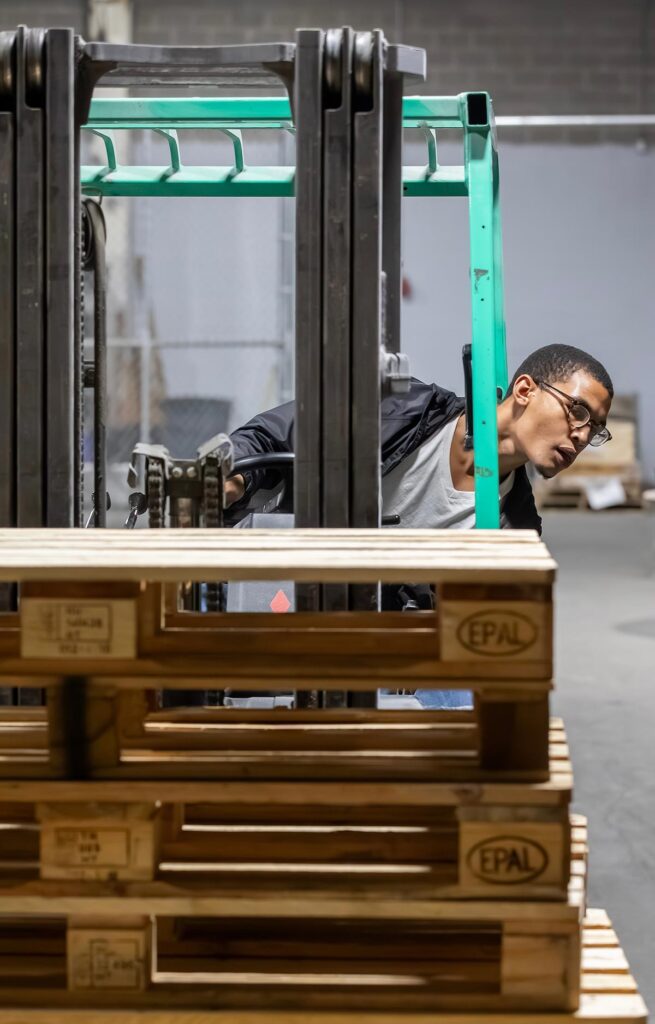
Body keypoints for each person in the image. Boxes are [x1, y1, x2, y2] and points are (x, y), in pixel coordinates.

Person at [225, 343, 613, 536]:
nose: (581, 436)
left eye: (595, 428)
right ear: (525, 390)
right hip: (268, 577)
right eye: (577, 411)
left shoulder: (516, 527)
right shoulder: (404, 410)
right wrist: (234, 479)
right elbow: (273, 434)